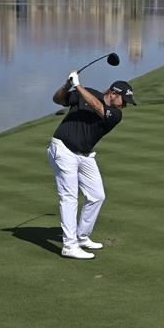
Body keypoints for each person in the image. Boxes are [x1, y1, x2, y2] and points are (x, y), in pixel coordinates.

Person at [48, 70, 136, 259]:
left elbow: (96, 106)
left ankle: (81, 237)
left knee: (97, 195)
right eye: (124, 100)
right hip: (63, 150)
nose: (125, 105)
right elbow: (58, 100)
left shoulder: (116, 114)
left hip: (85, 155)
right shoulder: (86, 93)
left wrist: (77, 85)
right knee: (69, 198)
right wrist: (67, 85)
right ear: (113, 94)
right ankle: (69, 246)